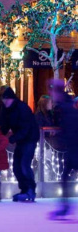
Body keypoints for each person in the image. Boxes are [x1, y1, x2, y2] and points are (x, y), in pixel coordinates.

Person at [0, 87, 39, 202]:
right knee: (16, 166)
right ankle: (24, 189)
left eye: (7, 100)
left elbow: (26, 127)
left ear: (12, 99)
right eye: (3, 100)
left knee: (24, 164)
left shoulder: (22, 108)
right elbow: (5, 125)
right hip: (21, 139)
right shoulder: (6, 110)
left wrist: (12, 138)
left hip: (30, 138)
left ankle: (31, 189)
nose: (5, 102)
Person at [48, 80, 78, 220]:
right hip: (72, 147)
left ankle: (65, 207)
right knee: (64, 178)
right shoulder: (66, 105)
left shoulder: (65, 107)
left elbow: (70, 127)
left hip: (74, 148)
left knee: (65, 178)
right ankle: (65, 207)